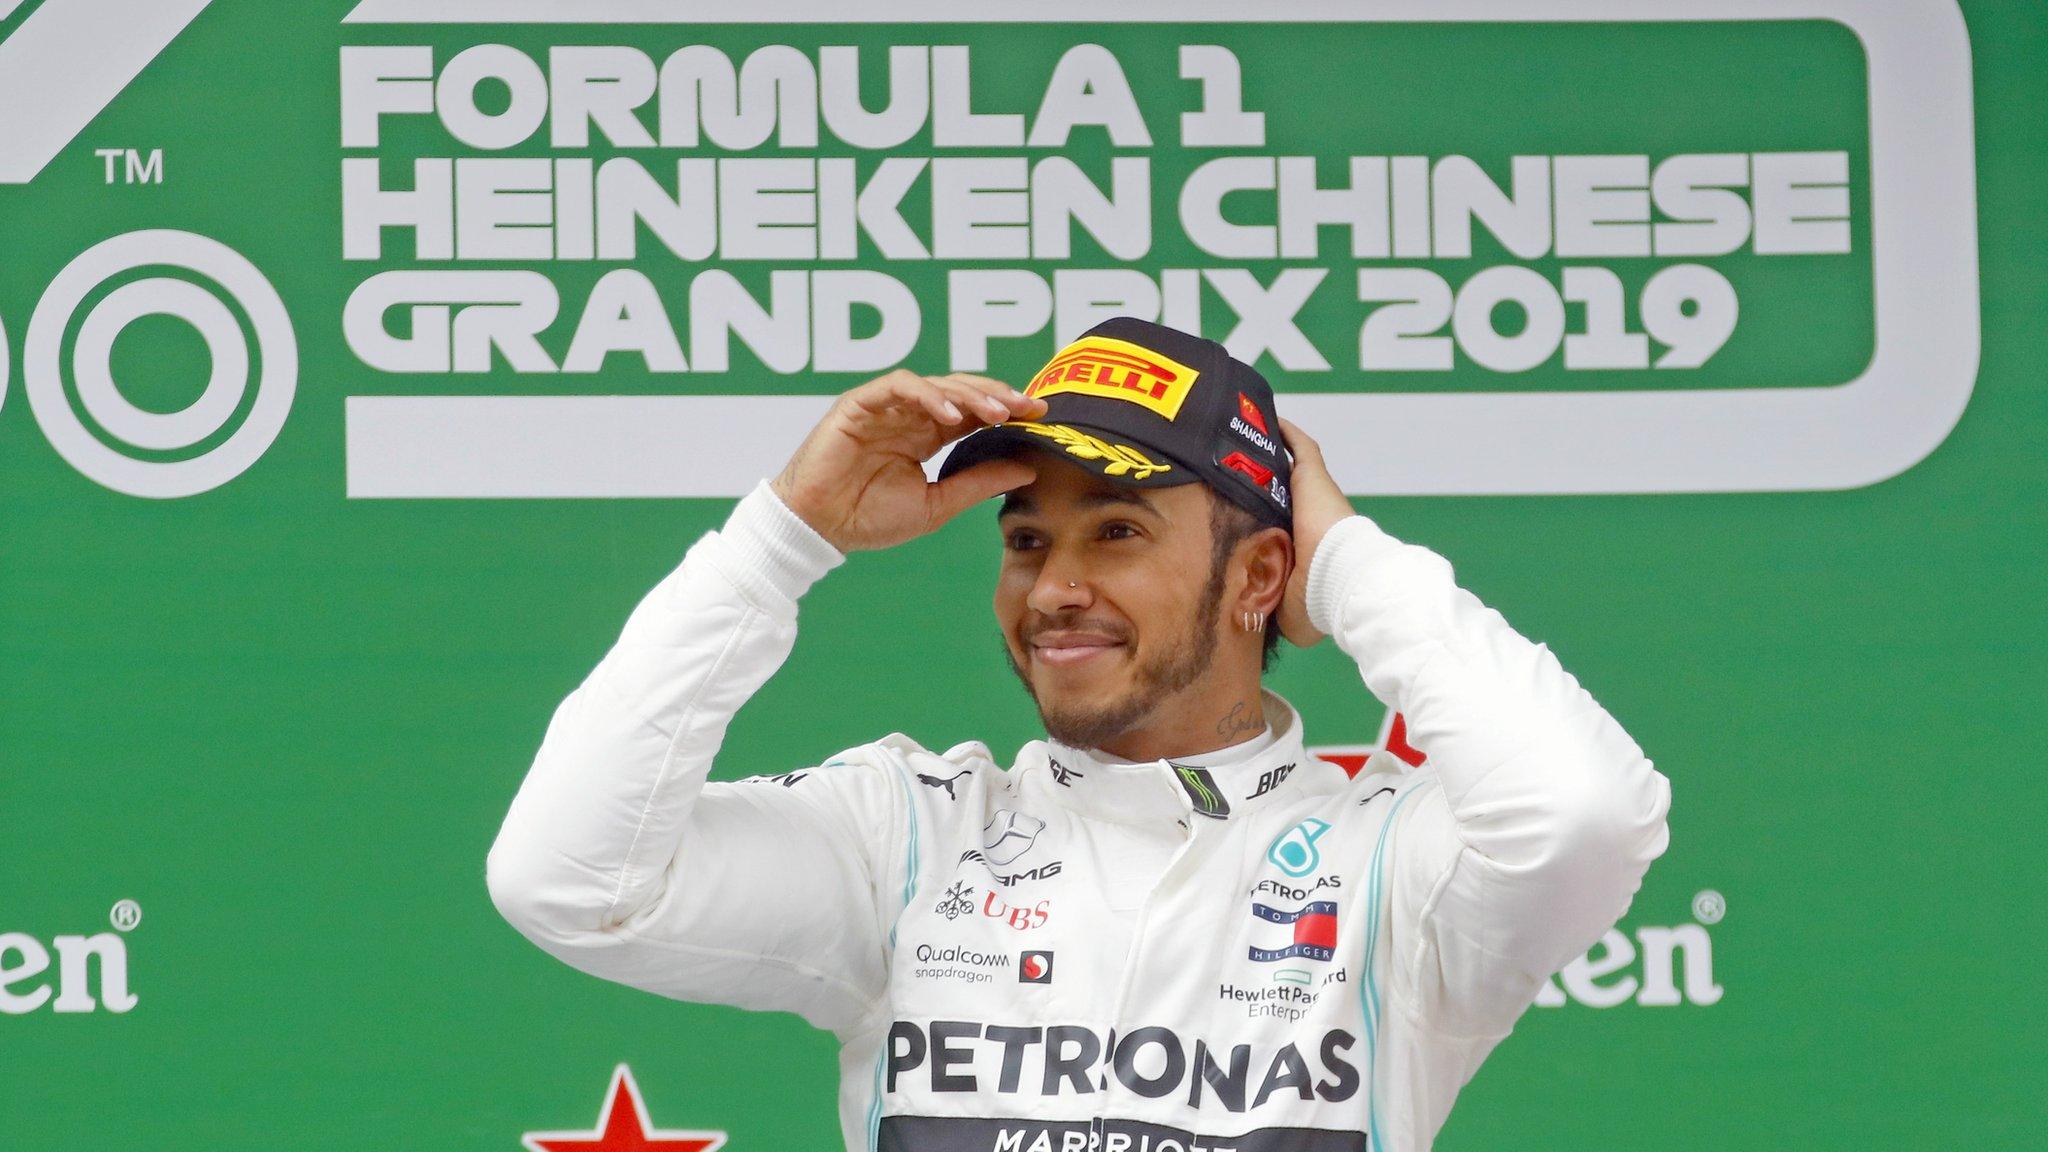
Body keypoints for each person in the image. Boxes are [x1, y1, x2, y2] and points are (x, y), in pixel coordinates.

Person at [486, 318, 1672, 1152]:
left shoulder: (1392, 866)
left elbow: (1585, 815)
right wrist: (784, 537)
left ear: (1260, 571)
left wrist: (1349, 564)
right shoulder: (908, 833)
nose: (1053, 586)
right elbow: (569, 880)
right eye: (1023, 540)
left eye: (1114, 532)